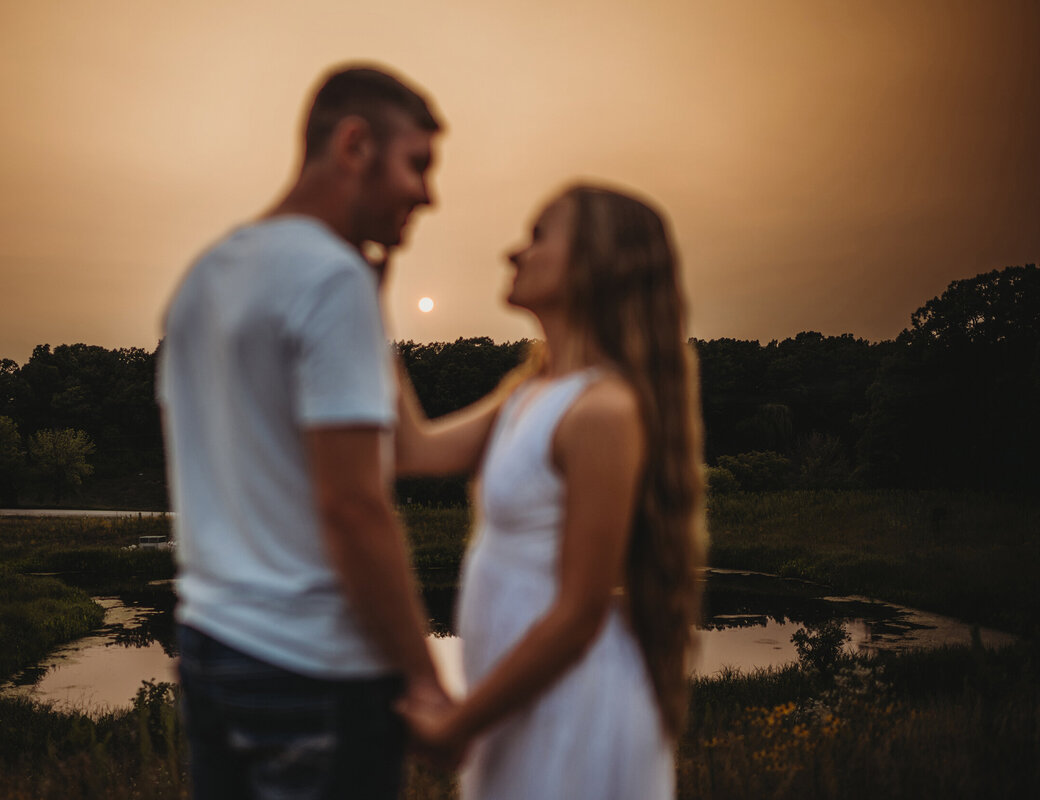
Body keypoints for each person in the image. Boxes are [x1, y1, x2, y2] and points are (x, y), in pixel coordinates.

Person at [157, 65, 448, 800]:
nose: (428, 194)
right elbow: (352, 506)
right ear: (354, 145)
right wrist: (423, 678)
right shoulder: (329, 278)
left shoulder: (205, 277)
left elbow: (400, 449)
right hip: (315, 668)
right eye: (418, 164)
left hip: (212, 648)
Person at [396, 184, 705, 799]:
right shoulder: (527, 393)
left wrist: (462, 721)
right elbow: (413, 450)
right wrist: (364, 295)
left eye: (539, 235)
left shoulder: (603, 412)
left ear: (597, 262)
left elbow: (578, 614)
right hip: (518, 707)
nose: (515, 252)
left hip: (573, 710)